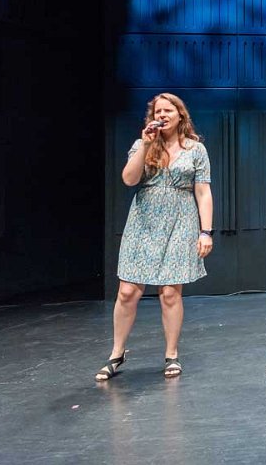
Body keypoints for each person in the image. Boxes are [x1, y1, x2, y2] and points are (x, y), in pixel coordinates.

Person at [95, 93, 213, 381]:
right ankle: (117, 353)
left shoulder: (196, 149)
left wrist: (206, 231)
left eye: (168, 110)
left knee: (170, 293)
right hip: (144, 221)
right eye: (157, 111)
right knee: (127, 291)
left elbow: (203, 192)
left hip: (180, 221)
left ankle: (171, 354)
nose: (162, 115)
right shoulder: (142, 145)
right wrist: (146, 145)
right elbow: (129, 179)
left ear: (180, 115)